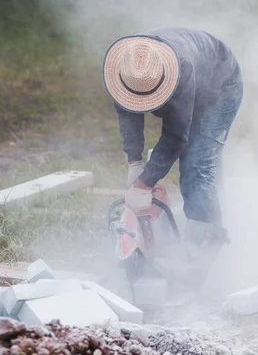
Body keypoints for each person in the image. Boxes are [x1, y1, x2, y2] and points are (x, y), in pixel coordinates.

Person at [102, 26, 243, 269]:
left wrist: (144, 184)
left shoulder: (180, 69)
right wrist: (135, 162)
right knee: (201, 165)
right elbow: (128, 116)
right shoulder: (129, 68)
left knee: (197, 166)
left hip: (220, 87)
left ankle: (203, 257)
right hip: (196, 79)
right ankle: (213, 215)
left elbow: (176, 136)